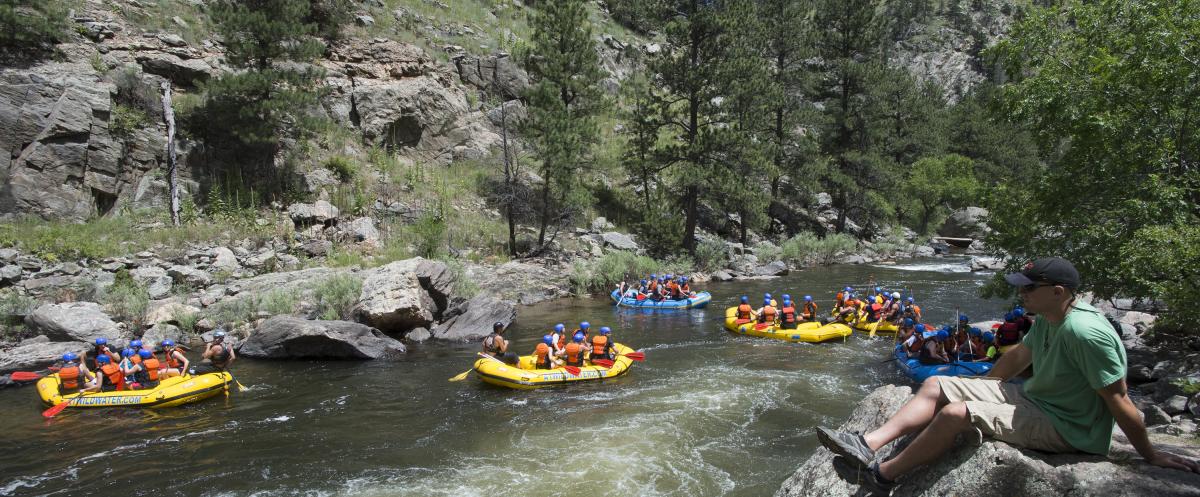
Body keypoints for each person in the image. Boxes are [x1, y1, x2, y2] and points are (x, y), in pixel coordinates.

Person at [815, 257, 1200, 494]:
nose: (1022, 294)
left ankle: (882, 477)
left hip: (1069, 426)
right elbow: (1018, 357)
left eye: (1030, 288)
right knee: (936, 384)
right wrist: (982, 387)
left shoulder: (1086, 332)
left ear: (1059, 291)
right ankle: (868, 442)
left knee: (955, 414)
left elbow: (1119, 399)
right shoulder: (1050, 317)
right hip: (1038, 400)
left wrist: (1149, 454)